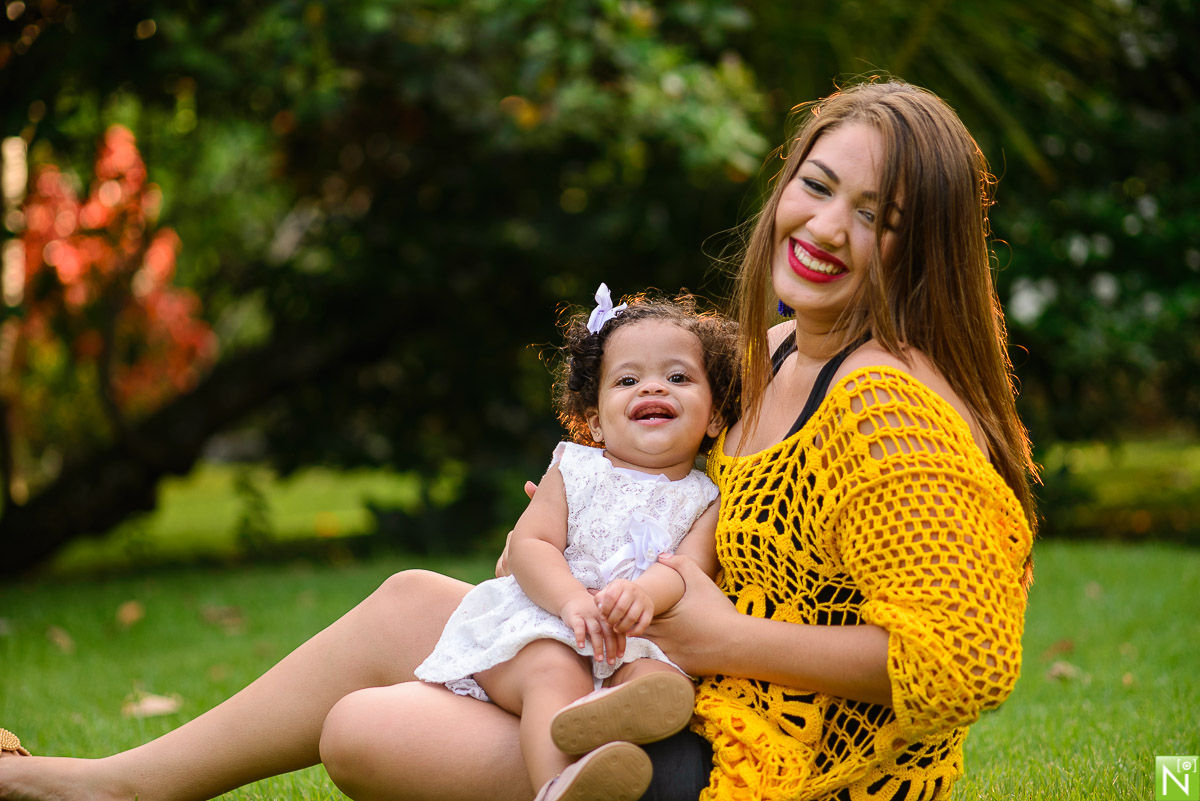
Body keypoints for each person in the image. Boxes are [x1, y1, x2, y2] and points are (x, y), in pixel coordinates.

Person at [0, 77, 1036, 801]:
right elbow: (684, 492)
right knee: (411, 599)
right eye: (818, 185)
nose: (827, 227)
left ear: (924, 246)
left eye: (878, 215)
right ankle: (121, 785)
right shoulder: (770, 351)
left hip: (763, 766)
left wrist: (726, 640)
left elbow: (964, 665)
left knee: (364, 728)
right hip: (663, 682)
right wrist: (575, 523)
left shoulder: (888, 409)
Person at [413, 285, 739, 801]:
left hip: (636, 635)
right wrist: (570, 600)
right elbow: (530, 544)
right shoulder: (575, 468)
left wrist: (644, 595)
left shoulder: (708, 496)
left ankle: (604, 715)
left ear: (715, 415)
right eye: (627, 380)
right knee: (552, 670)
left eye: (678, 377)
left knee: (661, 680)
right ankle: (556, 785)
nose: (653, 387)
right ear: (595, 422)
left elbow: (688, 569)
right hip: (553, 624)